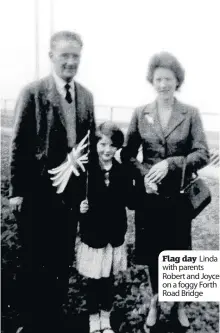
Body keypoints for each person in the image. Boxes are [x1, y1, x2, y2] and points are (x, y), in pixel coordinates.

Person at [9, 31, 96, 333]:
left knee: (61, 260)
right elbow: (19, 143)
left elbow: (91, 150)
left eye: (76, 56)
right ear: (51, 57)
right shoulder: (33, 93)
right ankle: (30, 322)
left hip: (70, 199)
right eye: (65, 55)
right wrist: (15, 191)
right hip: (36, 194)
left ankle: (54, 316)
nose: (70, 62)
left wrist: (87, 194)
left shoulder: (86, 96)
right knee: (34, 259)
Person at [121, 52, 209, 329]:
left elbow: (202, 154)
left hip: (179, 198)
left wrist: (172, 163)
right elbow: (126, 154)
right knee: (153, 252)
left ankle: (180, 305)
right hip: (150, 198)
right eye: (158, 79)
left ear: (177, 81)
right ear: (152, 81)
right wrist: (145, 175)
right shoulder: (141, 113)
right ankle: (156, 302)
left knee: (179, 251)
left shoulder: (190, 113)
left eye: (168, 79)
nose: (163, 84)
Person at [77, 122, 133, 333]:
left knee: (108, 280)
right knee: (93, 281)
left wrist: (142, 188)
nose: (107, 150)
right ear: (96, 145)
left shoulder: (122, 171)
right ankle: (93, 319)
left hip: (114, 234)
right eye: (102, 144)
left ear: (117, 147)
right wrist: (78, 207)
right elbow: (75, 198)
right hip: (93, 235)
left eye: (111, 145)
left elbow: (130, 201)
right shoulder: (87, 169)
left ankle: (106, 319)